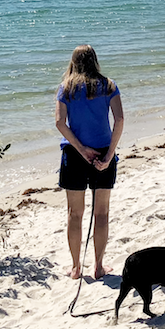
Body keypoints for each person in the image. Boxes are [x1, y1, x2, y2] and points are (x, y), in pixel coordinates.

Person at [55, 45, 124, 280]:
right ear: (95, 60)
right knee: (102, 213)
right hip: (104, 151)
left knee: (75, 213)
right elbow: (120, 120)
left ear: (73, 61)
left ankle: (76, 268)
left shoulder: (66, 88)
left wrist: (82, 149)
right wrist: (109, 155)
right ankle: (99, 266)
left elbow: (60, 123)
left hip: (74, 154)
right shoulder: (109, 85)